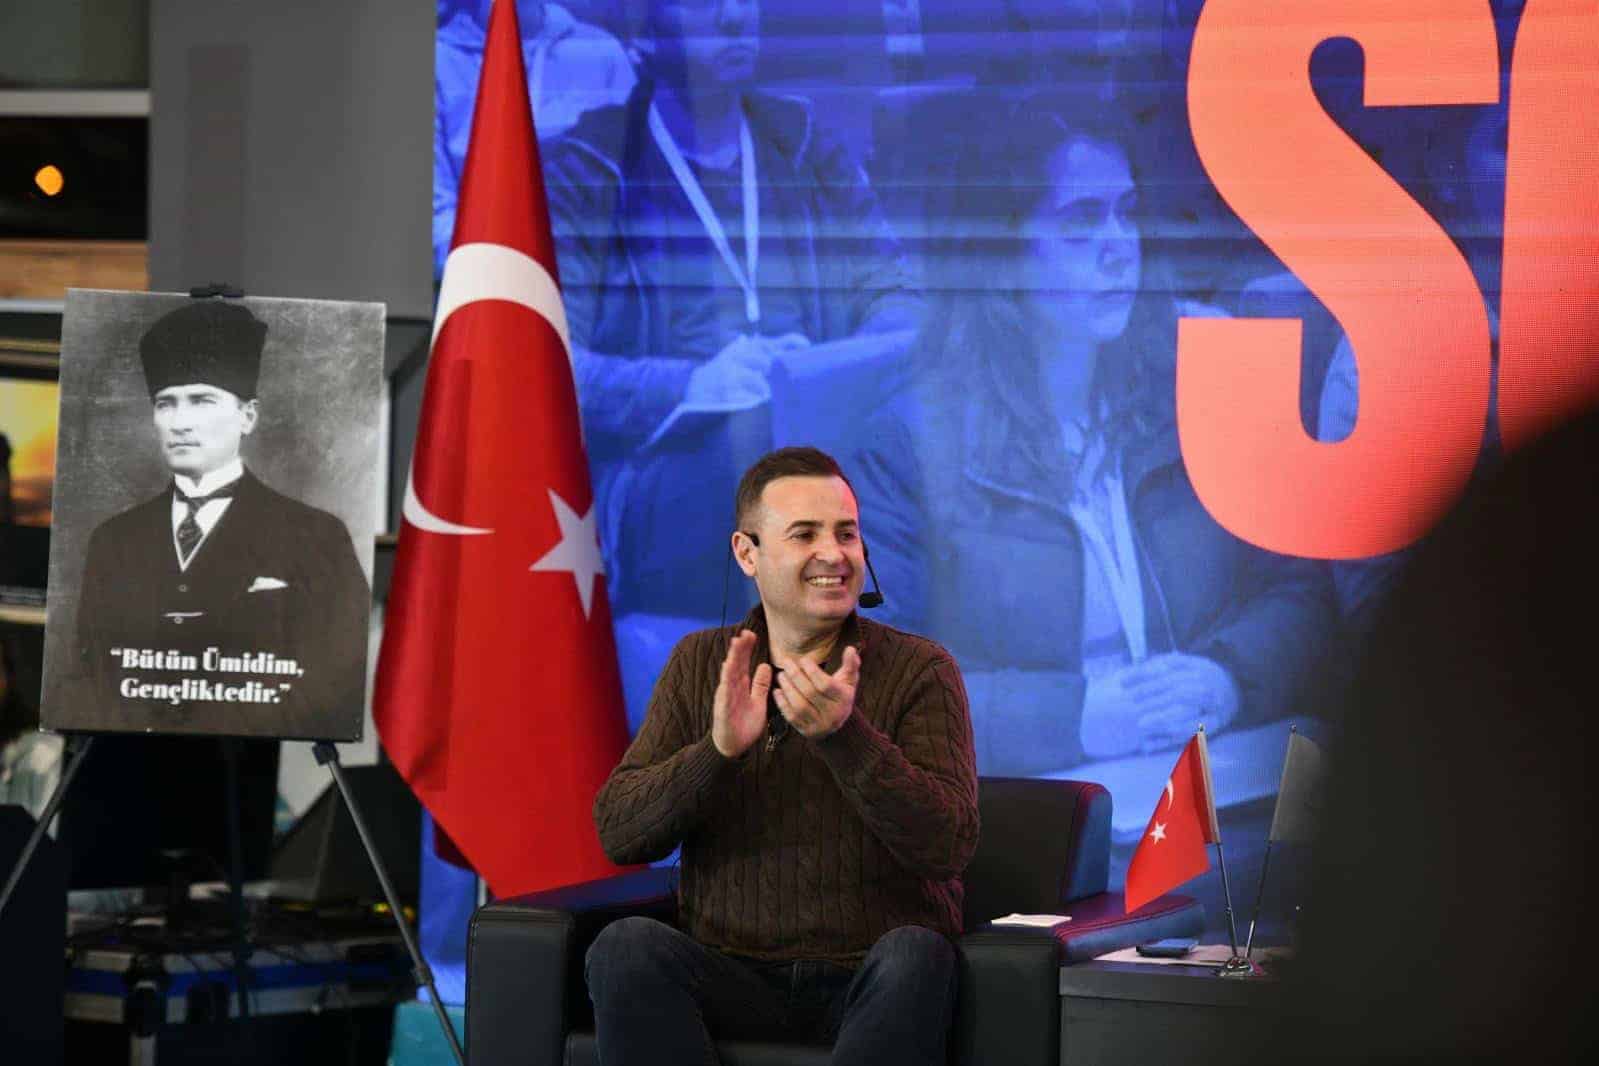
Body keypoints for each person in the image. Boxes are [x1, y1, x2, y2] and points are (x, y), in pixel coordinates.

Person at [853, 93, 1334, 776]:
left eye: (1126, 212)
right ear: (1002, 255)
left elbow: (1304, 592)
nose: (1118, 247)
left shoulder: (1189, 395)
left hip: (1208, 763)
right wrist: (1073, 719)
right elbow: (868, 676)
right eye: (1080, 221)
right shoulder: (908, 444)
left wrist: (1226, 676)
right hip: (1032, 795)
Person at [585, 446, 978, 1066]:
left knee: (916, 953)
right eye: (805, 534)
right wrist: (717, 753)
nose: (834, 554)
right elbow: (619, 832)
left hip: (869, 975)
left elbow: (948, 846)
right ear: (748, 554)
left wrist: (845, 737)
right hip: (732, 974)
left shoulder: (921, 669)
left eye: (846, 533)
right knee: (625, 947)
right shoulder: (700, 664)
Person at [543, 0, 922, 622]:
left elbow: (898, 298)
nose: (733, 16)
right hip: (660, 469)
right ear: (649, 25)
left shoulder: (801, 143)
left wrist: (826, 372)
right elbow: (550, 364)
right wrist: (694, 385)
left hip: (819, 441)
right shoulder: (590, 166)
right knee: (758, 463)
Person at [69, 300, 370, 740]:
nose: (180, 422)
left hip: (250, 763)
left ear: (247, 417)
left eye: (201, 400)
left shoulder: (316, 536)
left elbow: (336, 674)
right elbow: (91, 671)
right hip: (129, 758)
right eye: (166, 403)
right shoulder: (113, 540)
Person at [433, 0, 637, 275]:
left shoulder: (601, 53)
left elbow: (636, 197)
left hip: (592, 279)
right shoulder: (440, 63)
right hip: (488, 280)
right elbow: (437, 212)